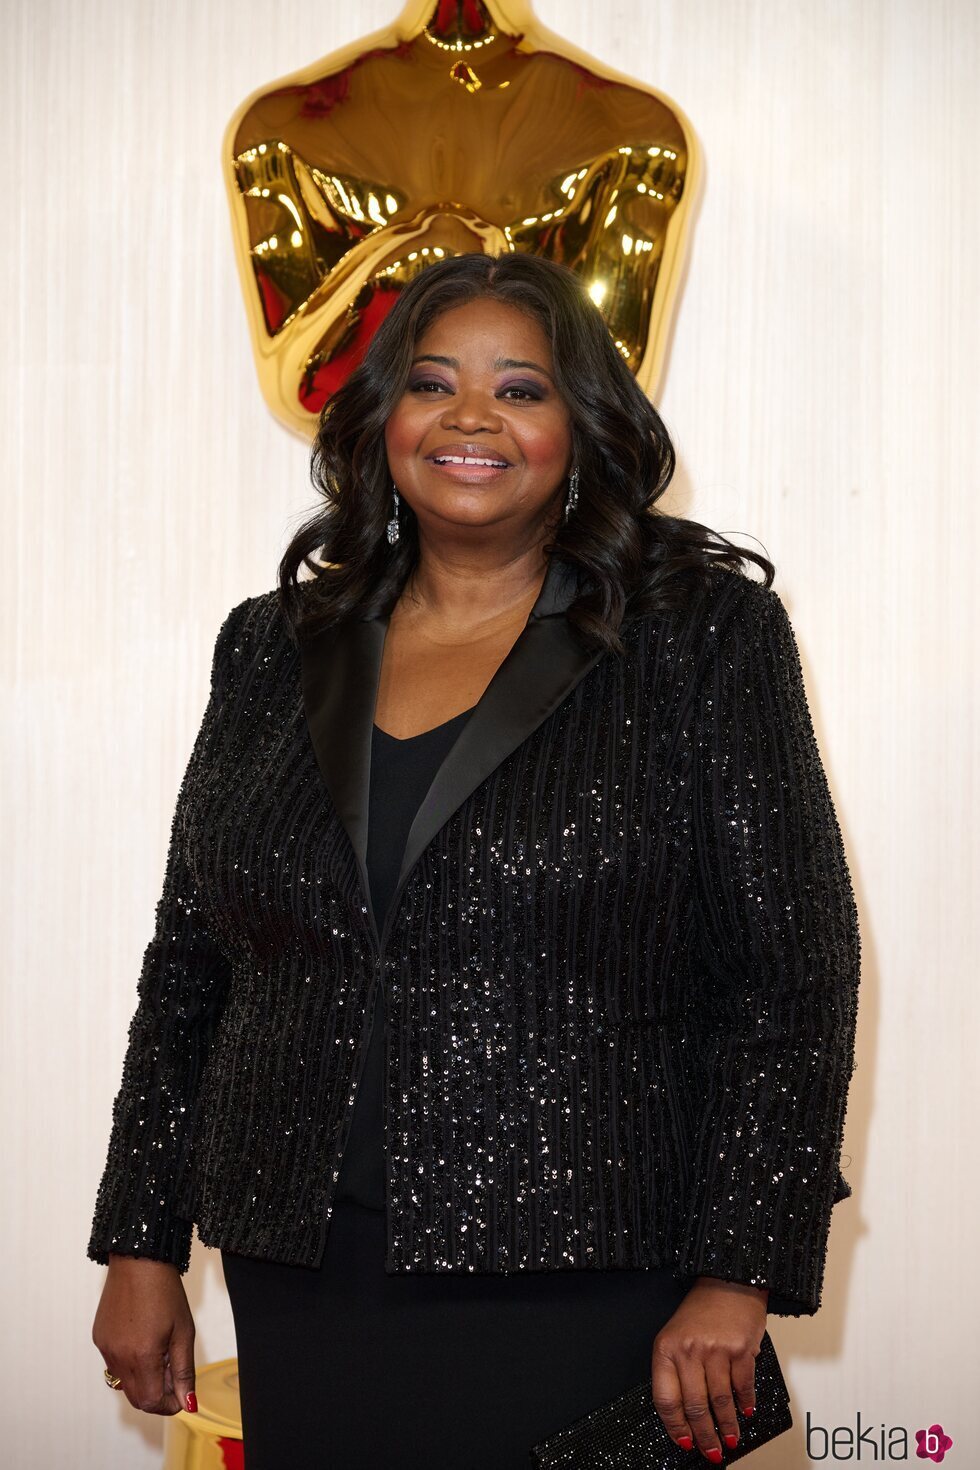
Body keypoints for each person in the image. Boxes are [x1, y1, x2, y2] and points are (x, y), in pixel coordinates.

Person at [88, 252, 861, 1469]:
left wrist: (736, 1272)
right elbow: (190, 965)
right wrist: (140, 1241)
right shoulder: (274, 645)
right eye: (433, 383)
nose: (469, 418)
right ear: (382, 418)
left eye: (520, 389)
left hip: (593, 1276)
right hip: (306, 1273)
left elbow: (790, 979)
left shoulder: (701, 639)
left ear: (582, 428)